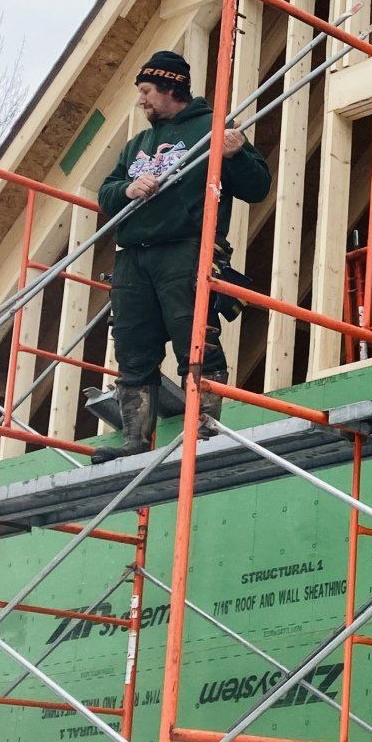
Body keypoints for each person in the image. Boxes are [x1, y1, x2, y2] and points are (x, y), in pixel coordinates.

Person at [92, 49, 271, 462]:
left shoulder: (212, 129)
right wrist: (127, 191)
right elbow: (106, 192)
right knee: (132, 345)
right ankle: (134, 441)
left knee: (195, 339)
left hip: (185, 249)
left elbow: (258, 186)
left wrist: (236, 153)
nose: (142, 100)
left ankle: (206, 430)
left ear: (171, 87)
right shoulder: (137, 144)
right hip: (134, 255)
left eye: (147, 90)